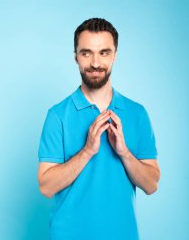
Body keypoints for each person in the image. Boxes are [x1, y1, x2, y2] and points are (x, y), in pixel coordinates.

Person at [37, 18, 160, 240]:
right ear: (75, 56)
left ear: (115, 55)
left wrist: (123, 152)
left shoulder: (137, 113)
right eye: (86, 53)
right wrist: (87, 151)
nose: (95, 63)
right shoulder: (57, 115)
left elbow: (151, 185)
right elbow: (46, 187)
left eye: (104, 52)